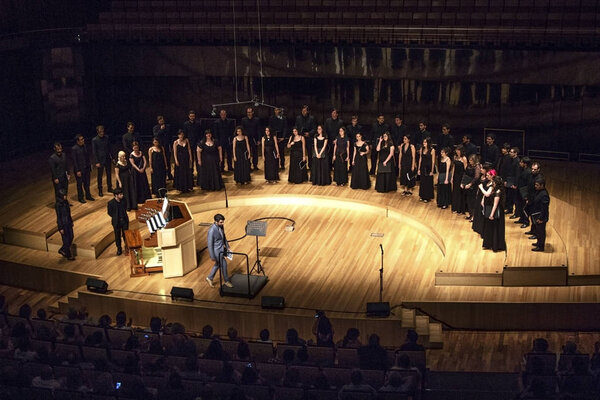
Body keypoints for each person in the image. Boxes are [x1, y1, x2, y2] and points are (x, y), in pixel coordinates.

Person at [206, 213, 233, 288]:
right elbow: (210, 244)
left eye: (223, 222)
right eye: (221, 222)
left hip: (221, 249)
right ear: (216, 221)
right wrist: (212, 256)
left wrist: (227, 246)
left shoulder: (221, 226)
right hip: (216, 252)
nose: (223, 223)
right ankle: (227, 281)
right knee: (224, 265)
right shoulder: (211, 231)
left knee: (217, 265)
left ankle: (210, 278)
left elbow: (224, 236)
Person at [481, 174, 506, 252]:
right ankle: (489, 243)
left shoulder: (498, 192)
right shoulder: (495, 190)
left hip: (496, 212)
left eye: (494, 182)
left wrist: (491, 215)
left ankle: (495, 245)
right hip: (493, 210)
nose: (493, 183)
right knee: (490, 228)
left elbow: (495, 204)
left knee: (495, 229)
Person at [72, 134, 95, 203]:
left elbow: (87, 157)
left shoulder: (84, 146)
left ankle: (88, 195)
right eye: (81, 139)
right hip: (79, 169)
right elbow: (74, 161)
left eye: (83, 139)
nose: (83, 140)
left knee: (87, 183)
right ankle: (80, 197)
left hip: (86, 168)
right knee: (79, 184)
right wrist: (77, 170)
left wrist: (90, 165)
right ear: (77, 141)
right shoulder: (74, 149)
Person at [530, 177, 550, 252]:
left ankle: (541, 247)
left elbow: (544, 208)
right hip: (536, 214)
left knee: (541, 232)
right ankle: (538, 243)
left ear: (542, 185)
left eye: (537, 185)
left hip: (541, 217)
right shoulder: (538, 191)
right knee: (538, 231)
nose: (535, 186)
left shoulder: (544, 195)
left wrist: (541, 218)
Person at [92, 125, 112, 197]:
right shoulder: (94, 140)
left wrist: (112, 157)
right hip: (100, 160)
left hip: (107, 159)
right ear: (97, 132)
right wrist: (96, 162)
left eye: (103, 131)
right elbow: (94, 152)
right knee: (100, 176)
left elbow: (109, 148)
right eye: (100, 132)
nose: (102, 133)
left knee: (109, 174)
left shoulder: (107, 137)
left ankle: (109, 187)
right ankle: (100, 190)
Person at [107, 188, 129, 256]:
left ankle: (127, 247)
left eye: (122, 194)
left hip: (124, 220)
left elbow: (125, 207)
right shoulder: (111, 203)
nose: (122, 195)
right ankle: (119, 249)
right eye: (120, 194)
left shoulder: (124, 200)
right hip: (117, 222)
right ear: (116, 195)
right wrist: (116, 217)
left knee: (126, 235)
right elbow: (109, 213)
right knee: (117, 236)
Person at [55, 189, 75, 260]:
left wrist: (71, 221)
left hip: (68, 222)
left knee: (71, 236)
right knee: (66, 239)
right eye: (64, 195)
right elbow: (59, 217)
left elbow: (68, 213)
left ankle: (63, 250)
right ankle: (68, 255)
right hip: (63, 224)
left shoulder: (66, 202)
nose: (65, 196)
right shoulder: (58, 205)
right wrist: (60, 228)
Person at [152, 115, 173, 180]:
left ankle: (169, 174)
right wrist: (161, 129)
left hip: (167, 146)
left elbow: (170, 136)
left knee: (168, 161)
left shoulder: (168, 126)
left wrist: (171, 145)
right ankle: (163, 175)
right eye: (160, 120)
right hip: (159, 147)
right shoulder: (155, 128)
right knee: (161, 161)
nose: (162, 121)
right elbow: (155, 135)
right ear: (158, 121)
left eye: (162, 120)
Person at [462, 154, 481, 222]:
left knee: (473, 201)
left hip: (474, 185)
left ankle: (474, 216)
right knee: (468, 200)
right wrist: (463, 183)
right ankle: (470, 214)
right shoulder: (469, 165)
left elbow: (476, 177)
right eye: (469, 160)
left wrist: (470, 184)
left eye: (471, 160)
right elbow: (465, 173)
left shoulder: (477, 166)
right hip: (467, 184)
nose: (470, 161)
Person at [417, 137, 435, 202]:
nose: (423, 143)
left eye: (425, 142)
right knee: (422, 182)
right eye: (423, 142)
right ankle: (422, 195)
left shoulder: (432, 150)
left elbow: (433, 161)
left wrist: (432, 171)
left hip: (428, 168)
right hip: (422, 167)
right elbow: (420, 159)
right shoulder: (422, 149)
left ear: (428, 143)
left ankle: (427, 197)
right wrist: (418, 169)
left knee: (428, 182)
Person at [451, 145, 467, 213]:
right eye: (456, 150)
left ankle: (459, 208)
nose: (457, 151)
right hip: (455, 176)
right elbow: (454, 167)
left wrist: (464, 180)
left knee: (460, 192)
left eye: (458, 150)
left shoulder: (464, 158)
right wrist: (452, 177)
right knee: (455, 191)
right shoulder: (455, 157)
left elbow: (465, 169)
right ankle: (454, 207)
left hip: (461, 176)